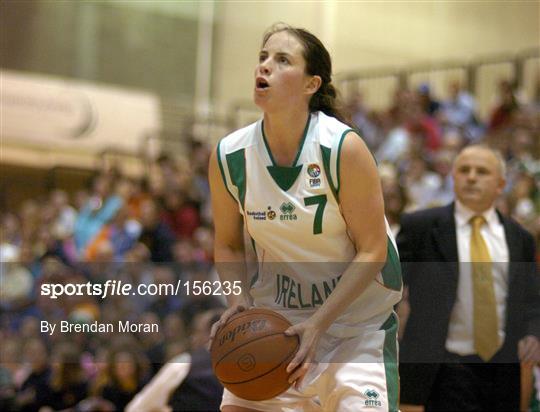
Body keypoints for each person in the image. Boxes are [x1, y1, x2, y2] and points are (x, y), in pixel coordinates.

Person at [208, 23, 402, 411]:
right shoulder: (230, 155)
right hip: (276, 326)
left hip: (354, 327)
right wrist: (239, 305)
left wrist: (319, 324)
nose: (265, 66)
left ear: (311, 84)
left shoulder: (341, 148)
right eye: (263, 57)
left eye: (282, 60)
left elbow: (372, 249)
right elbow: (227, 243)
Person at [397, 144, 540, 410]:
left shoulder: (520, 238)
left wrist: (533, 336)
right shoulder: (421, 227)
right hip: (442, 368)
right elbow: (391, 286)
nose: (471, 177)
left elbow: (532, 301)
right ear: (453, 178)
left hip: (502, 370)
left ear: (500, 184)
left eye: (481, 171)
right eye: (464, 170)